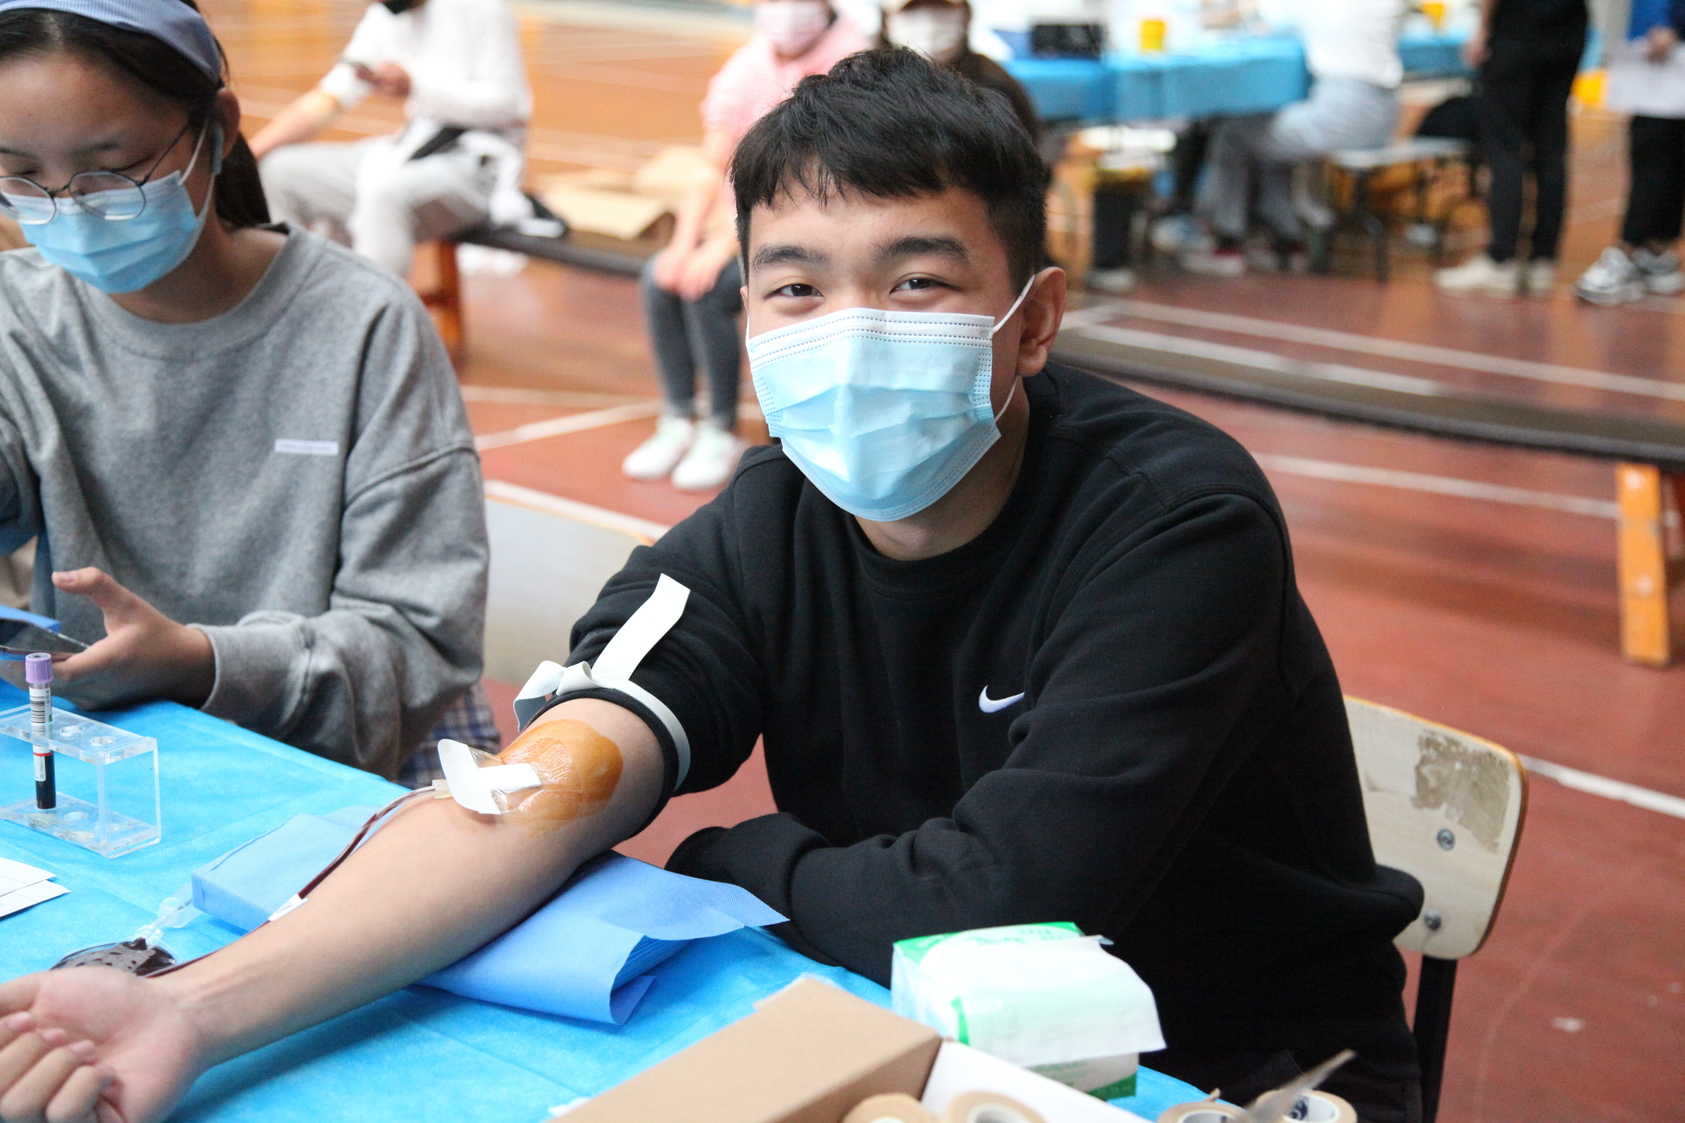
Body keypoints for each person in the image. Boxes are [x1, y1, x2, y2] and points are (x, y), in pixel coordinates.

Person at [0, 49, 1424, 1123]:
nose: (849, 330)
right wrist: (192, 1011)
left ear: (1032, 318)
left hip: (1232, 1070)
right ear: (742, 311)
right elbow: (530, 793)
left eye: (916, 283)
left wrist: (734, 864)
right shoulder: (766, 523)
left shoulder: (1173, 522)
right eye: (795, 287)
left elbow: (1015, 892)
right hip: (912, 1038)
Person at [0, 0, 493, 783]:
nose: (73, 207)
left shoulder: (363, 324)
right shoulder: (17, 314)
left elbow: (416, 644)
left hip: (332, 768)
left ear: (218, 130)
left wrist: (200, 662)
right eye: (23, 176)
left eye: (115, 165)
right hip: (107, 760)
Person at [621, 0, 866, 491]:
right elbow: (711, 164)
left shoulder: (849, 61)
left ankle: (720, 428)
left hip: (811, 229)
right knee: (660, 278)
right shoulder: (751, 61)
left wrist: (725, 248)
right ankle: (678, 418)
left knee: (709, 288)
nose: (785, 11)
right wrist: (683, 245)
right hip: (742, 225)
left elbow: (806, 185)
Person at [250, 0, 532, 278]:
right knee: (280, 172)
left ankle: (370, 307)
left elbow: (508, 105)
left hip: (480, 165)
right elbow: (332, 95)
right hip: (410, 149)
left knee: (386, 194)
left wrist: (417, 86)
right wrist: (249, 153)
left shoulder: (482, 7)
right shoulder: (384, 14)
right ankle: (291, 295)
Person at [1173, 0, 1407, 275]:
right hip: (1385, 115)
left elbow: (1257, 15)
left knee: (1233, 134)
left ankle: (1227, 244)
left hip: (1343, 115)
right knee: (1274, 135)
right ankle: (1287, 239)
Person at [1434, 0, 1588, 297]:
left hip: (1518, 31)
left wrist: (1482, 28)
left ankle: (1501, 259)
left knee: (1505, 146)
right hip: (1567, 32)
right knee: (1551, 149)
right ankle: (1543, 260)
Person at [1576, 0, 1685, 304]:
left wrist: (1675, 25)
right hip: (1655, 42)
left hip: (1665, 44)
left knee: (1654, 151)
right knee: (1670, 150)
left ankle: (1628, 251)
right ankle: (1656, 253)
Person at [878, 0, 1041, 142]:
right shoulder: (875, 82)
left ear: (966, 16)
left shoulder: (993, 82)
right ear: (886, 21)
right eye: (912, 10)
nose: (928, 21)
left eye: (940, 8)